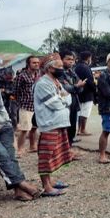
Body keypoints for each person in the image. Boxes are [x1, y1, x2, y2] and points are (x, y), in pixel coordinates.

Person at [0, 61, 41, 201]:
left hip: (3, 127)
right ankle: (22, 183)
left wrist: (7, 121)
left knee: (11, 158)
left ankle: (18, 191)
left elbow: (1, 106)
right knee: (1, 156)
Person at [33, 55, 73, 196]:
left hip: (58, 123)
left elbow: (69, 97)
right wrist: (64, 99)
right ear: (50, 68)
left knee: (55, 153)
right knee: (46, 156)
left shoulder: (55, 81)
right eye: (60, 66)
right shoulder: (43, 83)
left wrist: (63, 98)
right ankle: (46, 187)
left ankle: (51, 182)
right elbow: (55, 103)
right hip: (49, 124)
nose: (62, 69)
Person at [58, 50, 86, 158]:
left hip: (74, 102)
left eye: (72, 59)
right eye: (68, 59)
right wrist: (76, 87)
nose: (71, 62)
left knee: (72, 128)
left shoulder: (72, 72)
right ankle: (62, 152)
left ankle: (68, 151)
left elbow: (81, 88)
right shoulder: (59, 73)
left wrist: (76, 87)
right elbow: (64, 88)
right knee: (63, 128)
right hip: (64, 105)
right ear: (61, 59)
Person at [14, 56, 41, 157]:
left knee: (34, 128)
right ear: (28, 64)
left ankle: (32, 146)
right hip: (26, 106)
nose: (36, 64)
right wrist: (20, 101)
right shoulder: (22, 76)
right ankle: (20, 149)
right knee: (24, 129)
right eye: (34, 62)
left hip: (36, 106)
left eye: (38, 62)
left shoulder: (38, 75)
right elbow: (15, 91)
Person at [74, 51, 96, 136]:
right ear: (88, 58)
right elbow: (90, 81)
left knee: (80, 111)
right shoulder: (86, 67)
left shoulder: (77, 67)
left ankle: (79, 129)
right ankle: (83, 129)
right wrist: (95, 89)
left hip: (79, 91)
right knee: (85, 112)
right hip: (87, 93)